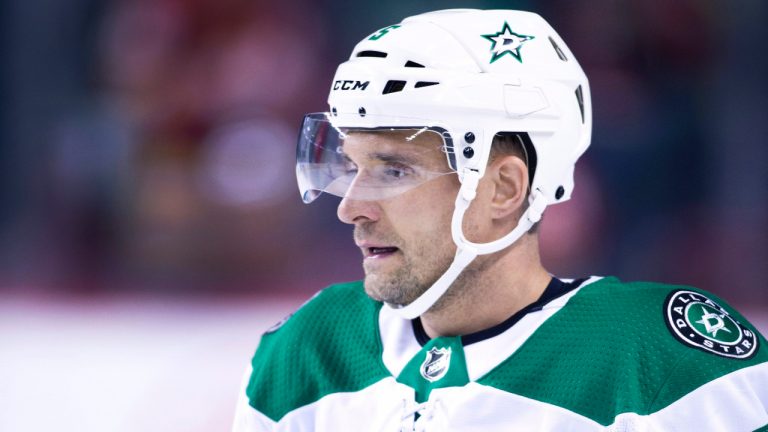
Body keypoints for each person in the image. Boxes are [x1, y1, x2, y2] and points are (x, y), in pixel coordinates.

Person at [232, 9, 768, 431]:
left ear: (504, 189)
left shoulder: (657, 364)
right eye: (352, 165)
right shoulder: (310, 350)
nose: (350, 206)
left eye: (393, 170)